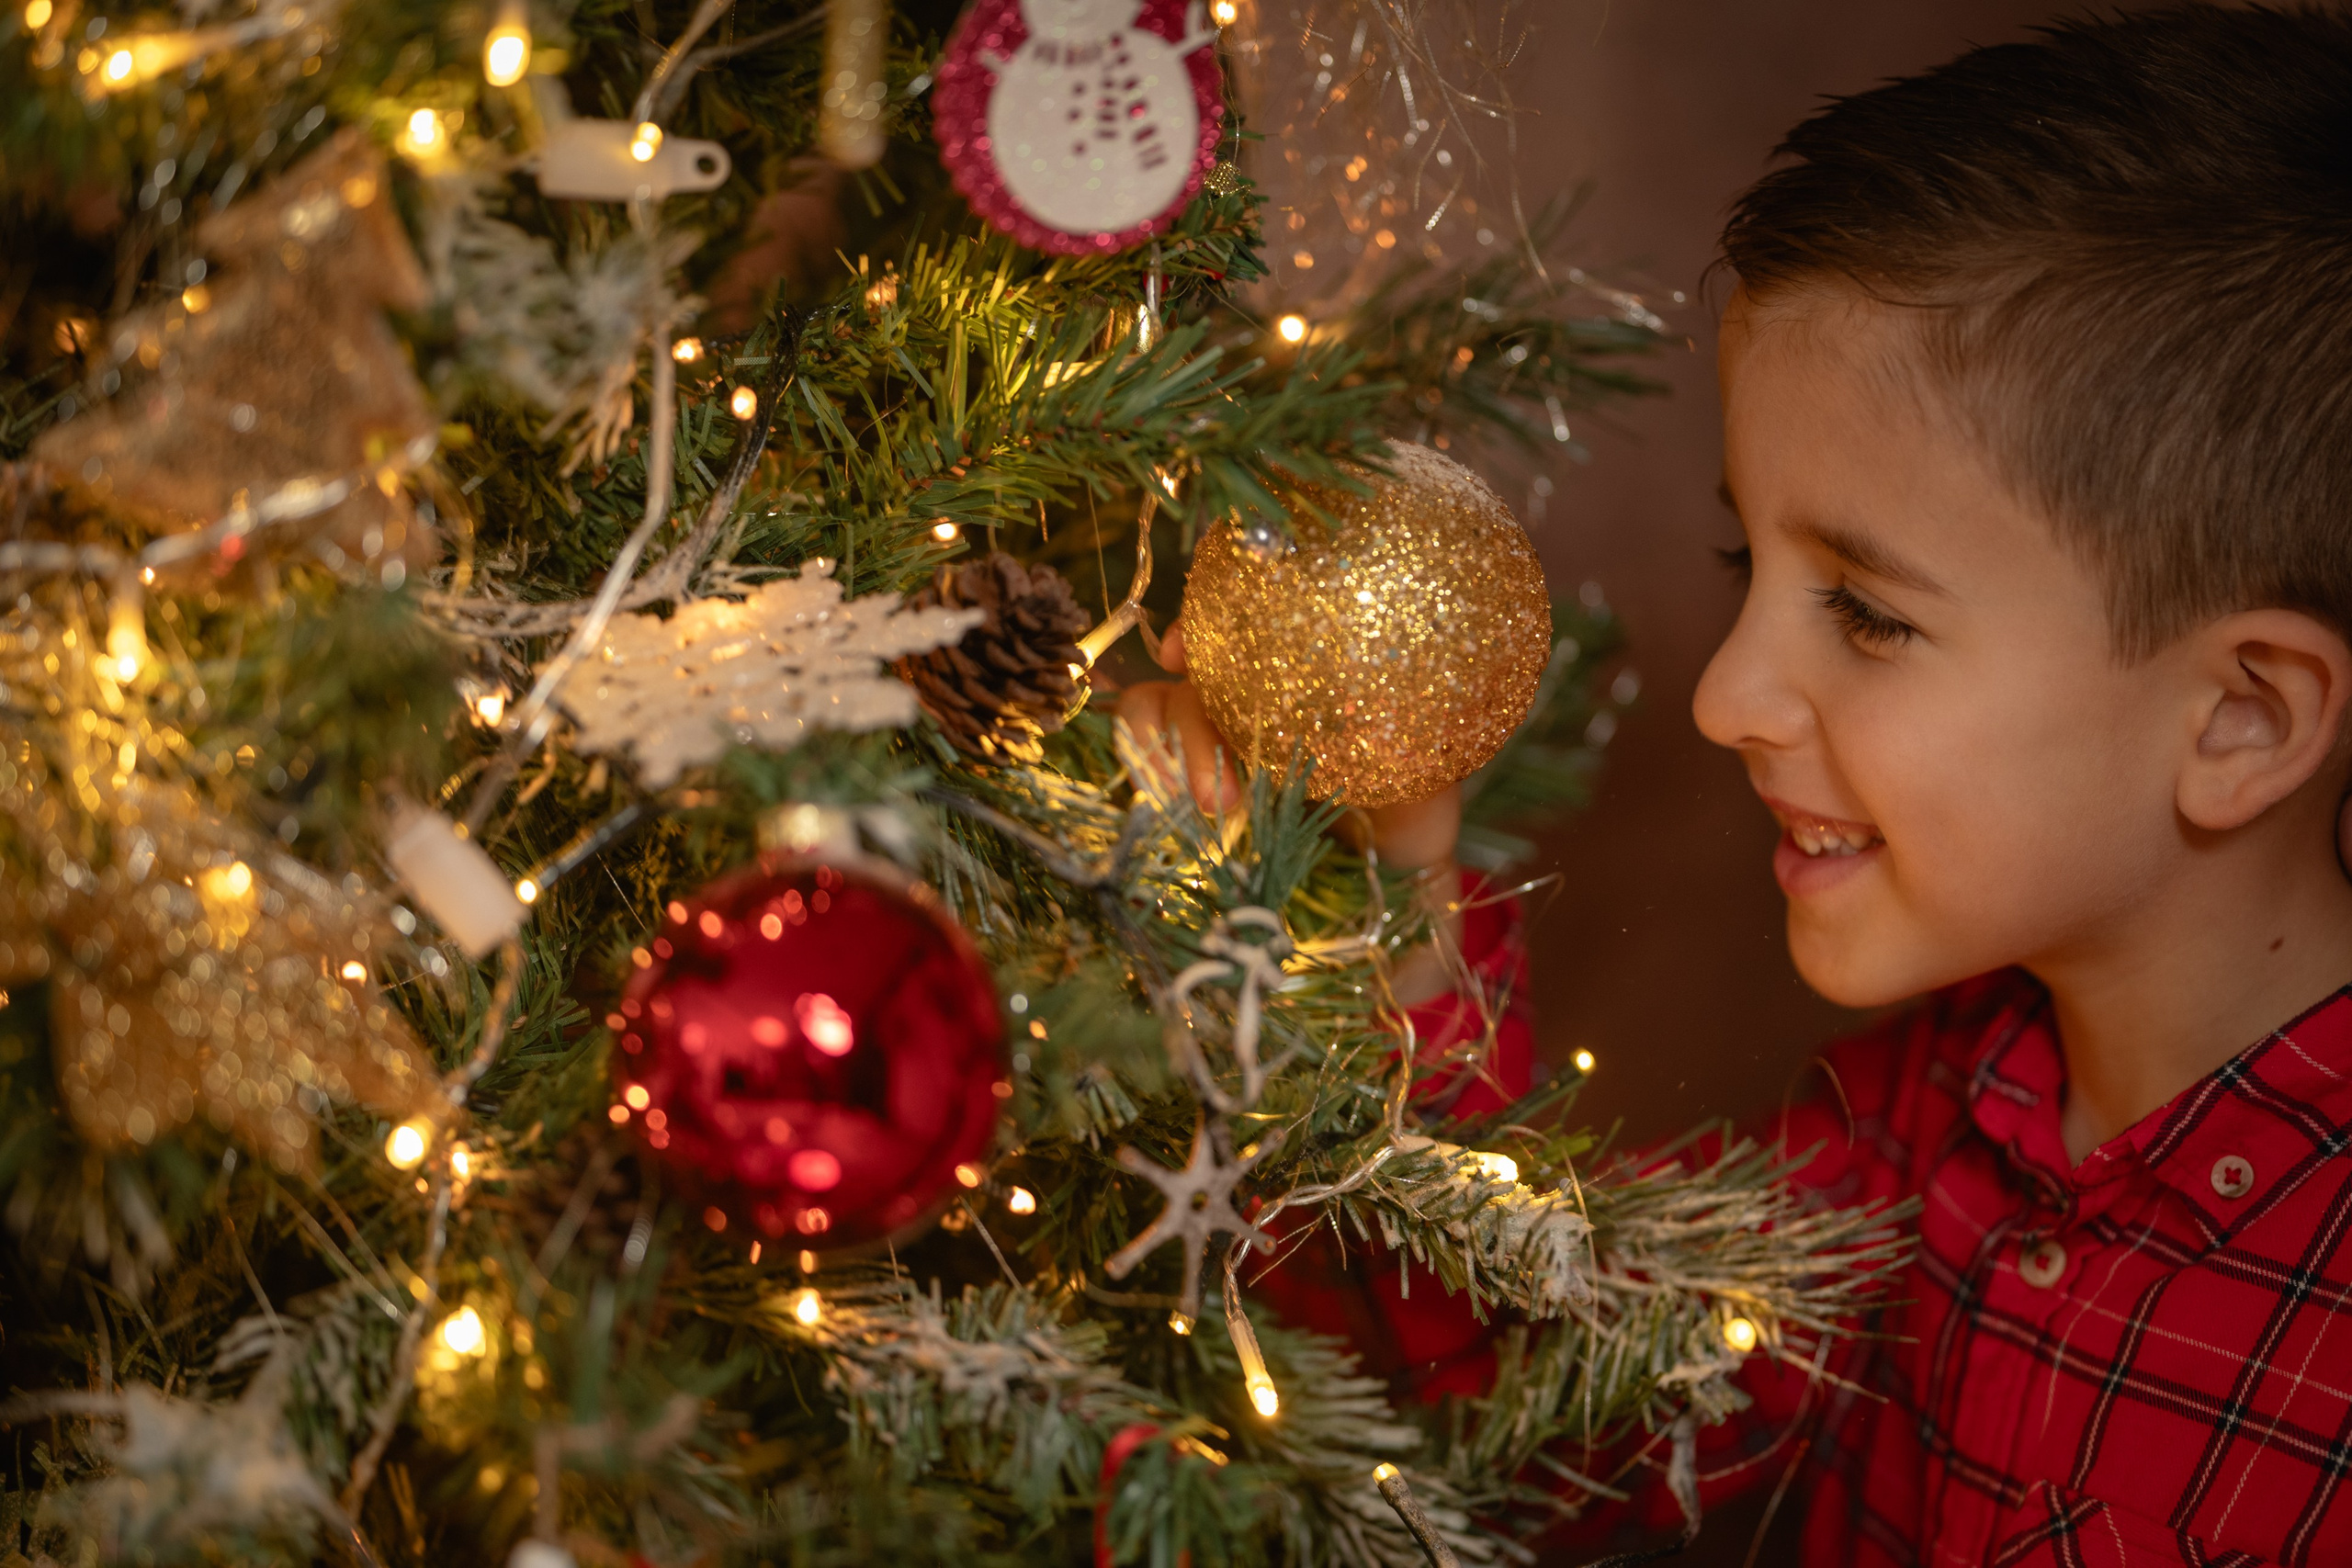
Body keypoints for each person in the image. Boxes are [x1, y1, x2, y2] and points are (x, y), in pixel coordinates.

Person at [1123, 7, 2352, 1562]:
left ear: (2241, 721)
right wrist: (1394, 900)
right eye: (1743, 559)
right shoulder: (1923, 1118)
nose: (1724, 697)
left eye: (1870, 613)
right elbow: (1523, 1425)